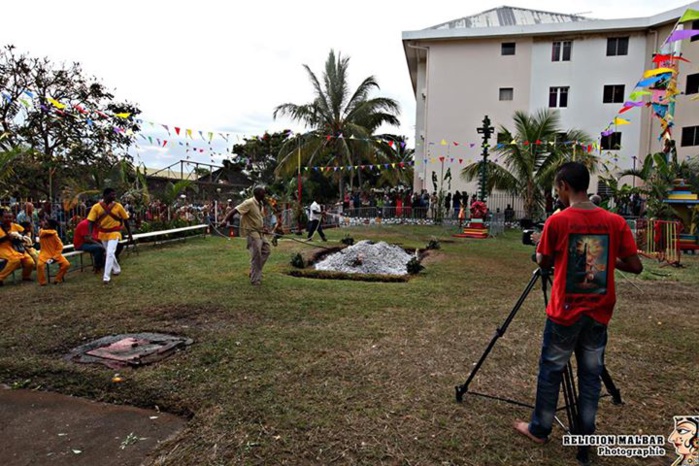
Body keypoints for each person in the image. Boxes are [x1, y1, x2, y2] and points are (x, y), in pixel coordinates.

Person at [513, 162, 643, 457]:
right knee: (590, 376)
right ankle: (585, 440)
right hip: (599, 312)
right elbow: (635, 265)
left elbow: (544, 261)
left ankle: (539, 429)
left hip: (565, 312)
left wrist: (539, 248)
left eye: (557, 188)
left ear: (563, 186)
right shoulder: (615, 221)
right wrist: (606, 260)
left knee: (551, 371)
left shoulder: (558, 222)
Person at [220, 186, 270, 286]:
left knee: (267, 250)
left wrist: (264, 227)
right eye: (263, 193)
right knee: (257, 256)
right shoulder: (249, 202)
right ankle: (255, 279)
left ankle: (254, 271)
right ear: (257, 194)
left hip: (260, 231)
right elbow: (234, 210)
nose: (265, 195)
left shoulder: (259, 204)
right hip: (252, 232)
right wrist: (225, 220)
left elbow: (258, 218)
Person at [87, 188, 133, 285]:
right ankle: (116, 269)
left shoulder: (118, 206)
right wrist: (90, 234)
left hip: (115, 232)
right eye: (112, 195)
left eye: (114, 195)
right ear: (105, 195)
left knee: (110, 252)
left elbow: (125, 220)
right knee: (109, 253)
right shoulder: (96, 207)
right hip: (103, 233)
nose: (114, 197)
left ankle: (106, 277)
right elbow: (90, 221)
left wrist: (130, 234)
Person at [0, 209, 36, 285]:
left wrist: (21, 236)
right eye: (6, 217)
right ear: (1, 218)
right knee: (15, 260)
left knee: (30, 262)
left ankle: (26, 276)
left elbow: (24, 232)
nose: (8, 219)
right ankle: (0, 277)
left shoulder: (15, 226)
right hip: (3, 248)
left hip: (17, 248)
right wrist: (7, 237)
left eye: (10, 217)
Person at [37, 218, 70, 285]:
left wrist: (55, 257)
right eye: (44, 223)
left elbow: (60, 246)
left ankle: (58, 279)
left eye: (46, 224)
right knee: (39, 265)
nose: (44, 224)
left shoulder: (54, 235)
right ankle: (42, 282)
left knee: (66, 264)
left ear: (51, 226)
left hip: (55, 254)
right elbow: (45, 232)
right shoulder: (41, 232)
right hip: (44, 254)